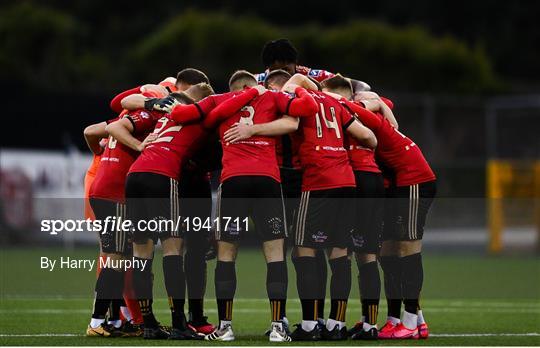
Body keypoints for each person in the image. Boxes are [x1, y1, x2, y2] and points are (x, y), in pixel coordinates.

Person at [112, 84, 213, 340]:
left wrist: (149, 106)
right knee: (173, 248)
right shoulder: (199, 117)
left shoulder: (163, 115)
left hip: (134, 176)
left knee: (141, 252)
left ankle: (147, 323)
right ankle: (179, 323)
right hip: (162, 176)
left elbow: (119, 107)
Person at [339, 94, 437, 340]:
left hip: (415, 181)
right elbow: (380, 101)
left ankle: (411, 321)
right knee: (388, 253)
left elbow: (360, 105)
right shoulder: (373, 118)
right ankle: (401, 320)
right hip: (399, 186)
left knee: (408, 250)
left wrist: (327, 96)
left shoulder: (375, 122)